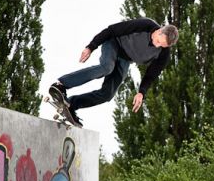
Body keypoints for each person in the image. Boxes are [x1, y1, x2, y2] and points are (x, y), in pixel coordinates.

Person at [49, 18, 179, 127]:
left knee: (107, 94)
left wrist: (141, 93)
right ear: (159, 31)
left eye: (161, 46)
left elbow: (151, 74)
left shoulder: (163, 53)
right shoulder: (144, 25)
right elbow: (112, 30)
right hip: (114, 43)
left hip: (125, 60)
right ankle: (61, 85)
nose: (157, 46)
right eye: (158, 41)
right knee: (106, 67)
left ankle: (71, 105)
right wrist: (91, 47)